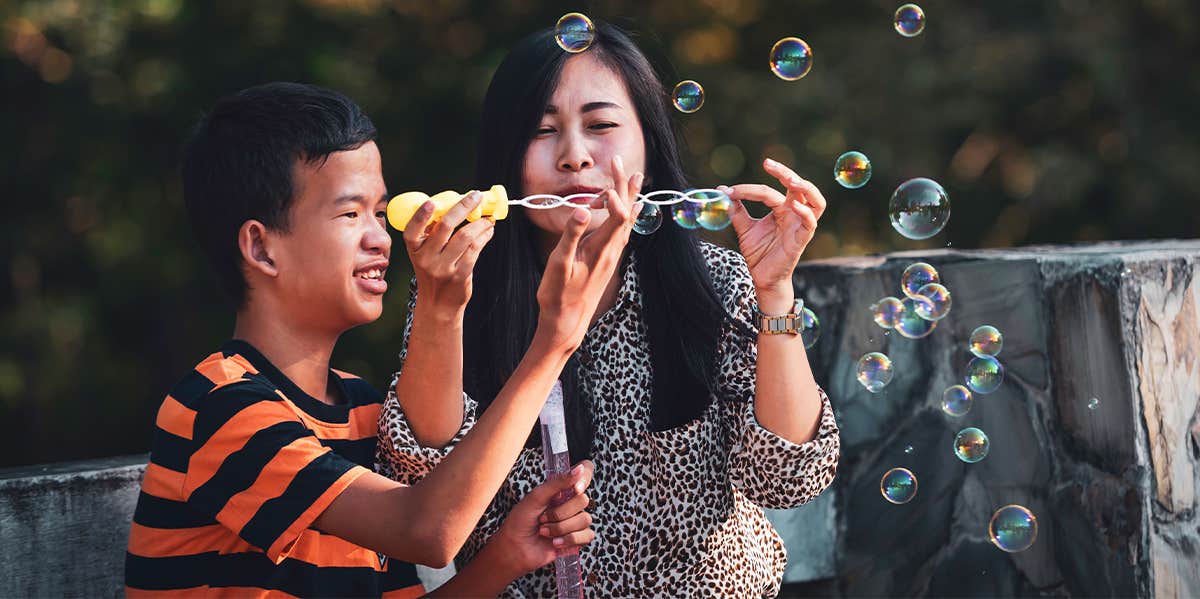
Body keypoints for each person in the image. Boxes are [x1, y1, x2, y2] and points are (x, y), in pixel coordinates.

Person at [378, 22, 841, 598]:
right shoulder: (462, 292)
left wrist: (774, 291)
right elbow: (418, 474)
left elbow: (789, 478)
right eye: (542, 132)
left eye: (601, 126)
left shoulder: (714, 282)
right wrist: (441, 309)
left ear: (648, 140)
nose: (574, 157)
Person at [125, 81, 637, 597]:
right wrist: (554, 343)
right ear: (261, 247)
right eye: (350, 214)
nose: (378, 237)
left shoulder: (360, 410)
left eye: (379, 212)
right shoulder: (221, 407)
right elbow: (427, 532)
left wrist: (507, 555)